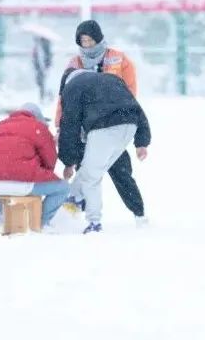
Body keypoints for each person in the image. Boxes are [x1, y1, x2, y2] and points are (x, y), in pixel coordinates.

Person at [55, 20, 146, 225]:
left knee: (120, 170)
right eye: (82, 41)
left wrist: (134, 126)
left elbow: (129, 94)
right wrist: (60, 125)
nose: (86, 45)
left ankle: (138, 212)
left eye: (90, 40)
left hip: (111, 122)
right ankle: (75, 209)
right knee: (85, 169)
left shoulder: (119, 60)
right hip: (83, 125)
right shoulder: (74, 64)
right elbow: (65, 100)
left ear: (98, 38)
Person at [58, 69, 151, 234]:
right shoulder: (112, 79)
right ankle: (75, 197)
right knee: (92, 169)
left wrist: (68, 161)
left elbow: (69, 126)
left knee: (91, 178)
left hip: (104, 127)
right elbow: (137, 107)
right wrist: (142, 141)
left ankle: (93, 221)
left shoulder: (72, 87)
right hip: (129, 125)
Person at [0, 102, 69, 227]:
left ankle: (3, 217)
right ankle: (40, 222)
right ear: (38, 117)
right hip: (22, 185)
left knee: (9, 182)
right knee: (63, 188)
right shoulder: (38, 127)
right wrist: (51, 143)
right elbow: (50, 162)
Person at [32, 36, 53, 102]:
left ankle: (45, 96)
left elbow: (45, 57)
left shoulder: (45, 45)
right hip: (41, 68)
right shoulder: (38, 46)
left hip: (43, 68)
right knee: (42, 83)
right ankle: (44, 96)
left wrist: (45, 67)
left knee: (44, 83)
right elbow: (36, 58)